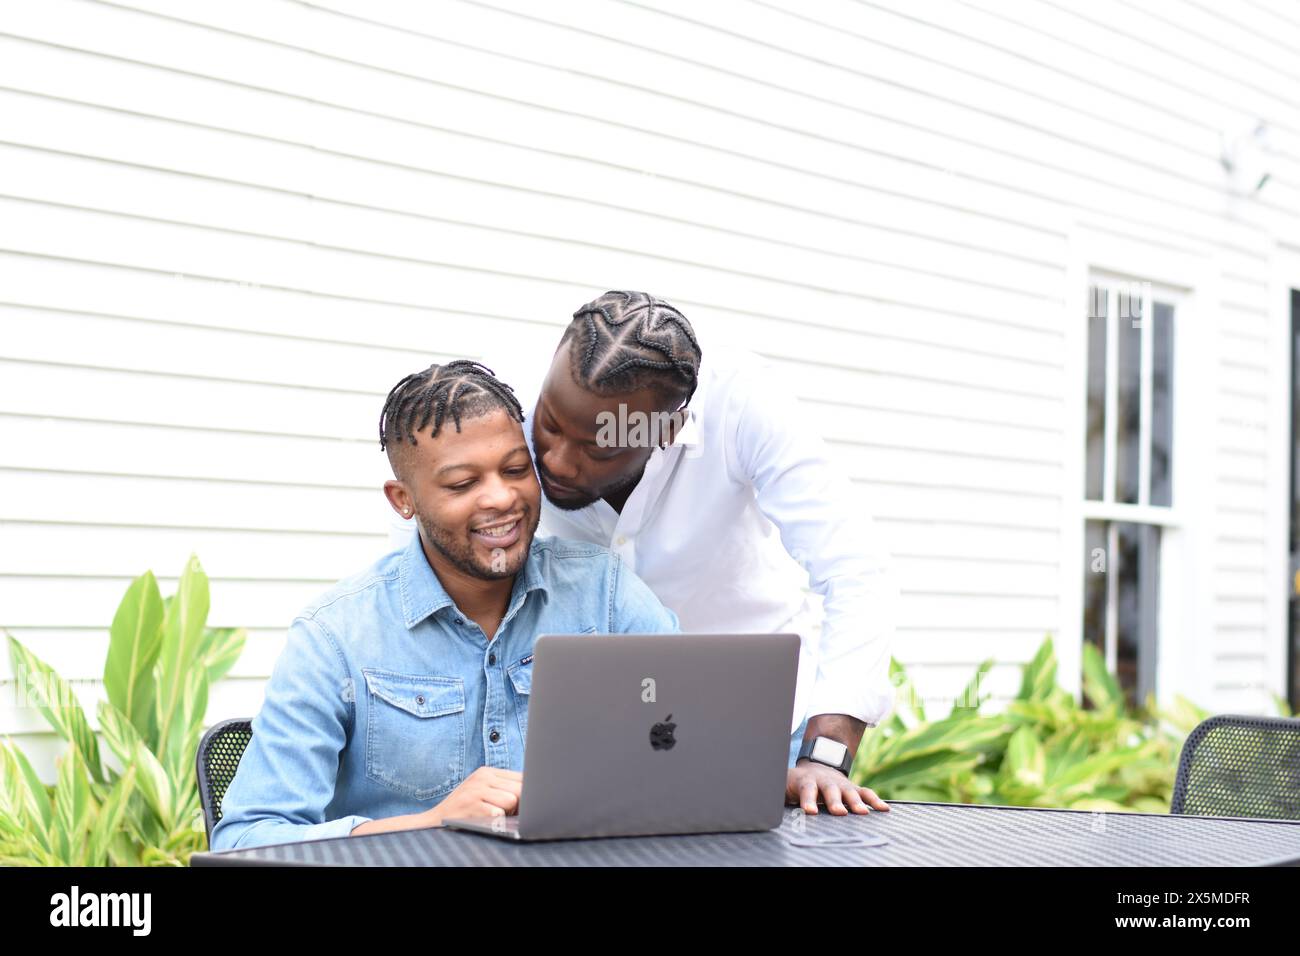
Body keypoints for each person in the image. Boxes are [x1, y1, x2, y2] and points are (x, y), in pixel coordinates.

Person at [391, 292, 899, 817]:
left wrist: (826, 754)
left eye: (599, 447)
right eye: (549, 426)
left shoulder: (740, 405)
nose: (558, 464)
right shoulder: (503, 406)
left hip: (750, 732)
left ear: (666, 432)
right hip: (579, 737)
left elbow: (855, 571)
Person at [212, 360, 679, 851]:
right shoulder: (335, 637)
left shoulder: (602, 592)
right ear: (403, 500)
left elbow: (689, 742)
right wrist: (434, 821)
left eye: (517, 470)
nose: (501, 498)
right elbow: (246, 841)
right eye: (462, 484)